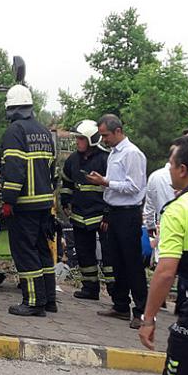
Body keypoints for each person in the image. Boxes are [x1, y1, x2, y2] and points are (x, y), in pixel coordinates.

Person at [138, 135, 188, 375]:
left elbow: (165, 272)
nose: (168, 168)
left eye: (171, 163)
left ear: (183, 170)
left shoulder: (178, 210)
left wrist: (148, 319)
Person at [0, 85, 57, 317]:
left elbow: (14, 169)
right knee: (42, 250)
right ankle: (49, 299)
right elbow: (52, 169)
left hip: (24, 204)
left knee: (25, 252)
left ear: (11, 107)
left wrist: (8, 201)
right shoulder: (43, 131)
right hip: (45, 203)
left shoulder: (15, 131)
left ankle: (33, 302)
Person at [86, 114, 148, 328]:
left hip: (128, 213)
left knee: (132, 263)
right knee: (116, 260)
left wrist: (105, 181)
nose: (103, 139)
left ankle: (141, 312)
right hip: (114, 212)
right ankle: (121, 305)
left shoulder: (132, 154)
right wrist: (105, 184)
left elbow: (135, 186)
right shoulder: (114, 153)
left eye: (105, 135)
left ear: (118, 131)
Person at [60, 120, 111, 300]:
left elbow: (112, 190)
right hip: (80, 215)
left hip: (100, 216)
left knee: (109, 257)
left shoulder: (106, 159)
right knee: (84, 253)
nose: (77, 142)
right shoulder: (73, 160)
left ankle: (116, 293)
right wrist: (65, 200)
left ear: (91, 139)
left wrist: (107, 214)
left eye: (81, 138)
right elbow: (66, 182)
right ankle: (90, 288)